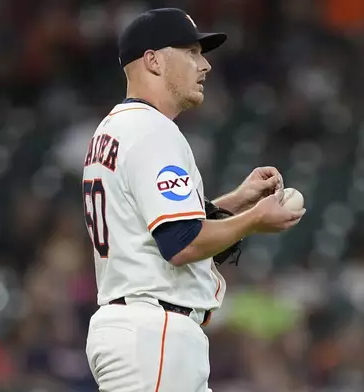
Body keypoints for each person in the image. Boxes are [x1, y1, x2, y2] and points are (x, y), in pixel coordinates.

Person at [82, 8, 306, 392]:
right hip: (154, 331)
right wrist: (254, 219)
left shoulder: (115, 128)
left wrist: (236, 201)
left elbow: (159, 227)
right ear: (153, 60)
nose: (205, 65)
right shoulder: (153, 130)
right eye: (190, 51)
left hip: (137, 327)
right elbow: (181, 242)